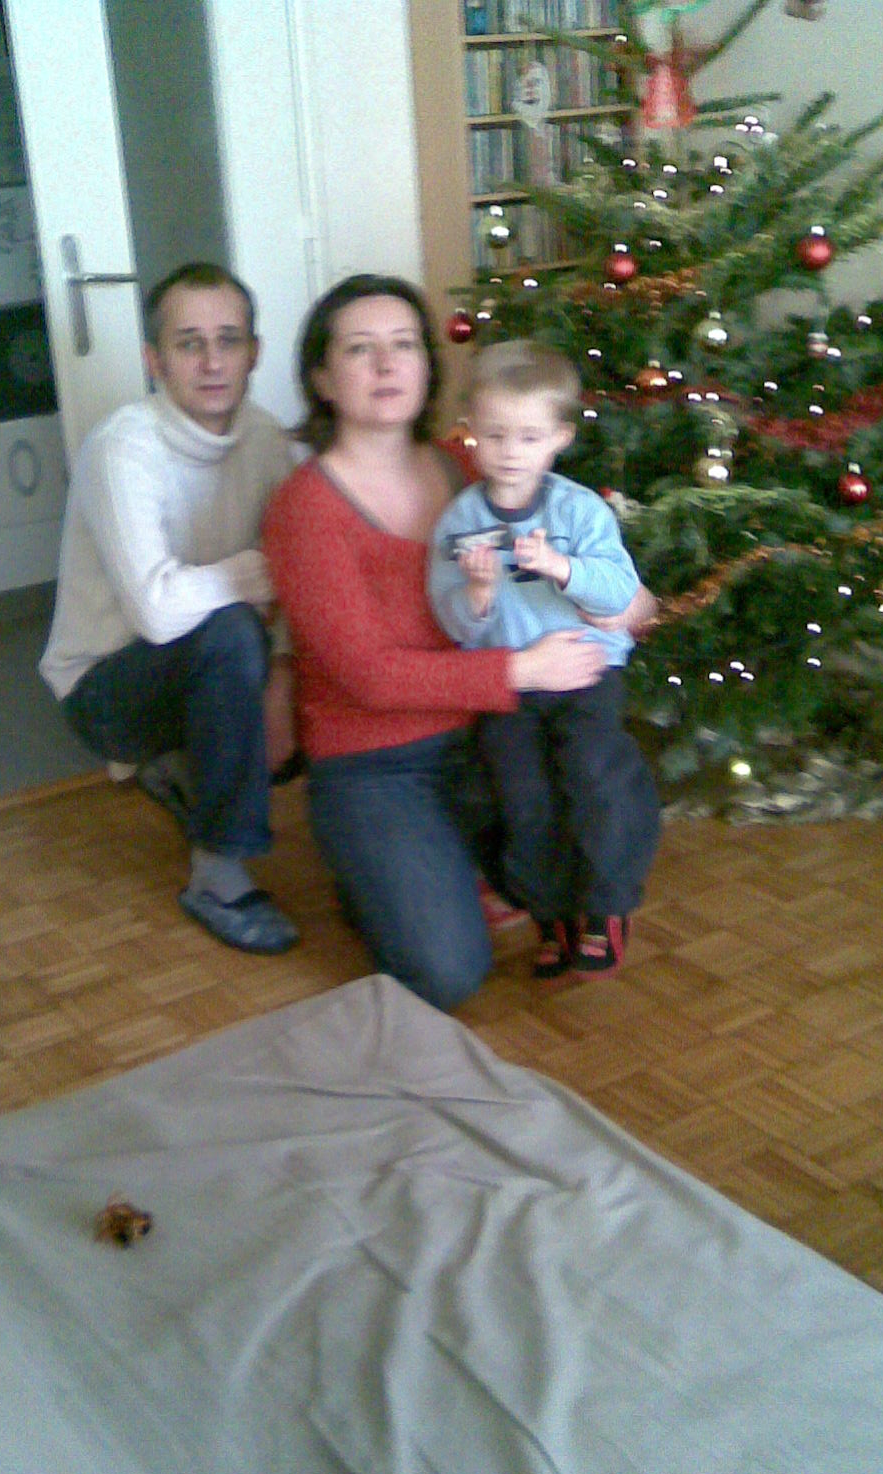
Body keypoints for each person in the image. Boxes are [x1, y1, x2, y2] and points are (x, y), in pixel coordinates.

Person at [262, 273, 655, 1010]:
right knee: (448, 970)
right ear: (322, 378)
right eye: (360, 349)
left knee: (588, 799)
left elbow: (593, 557)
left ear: (428, 364)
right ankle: (379, 871)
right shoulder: (303, 507)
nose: (387, 364)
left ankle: (471, 870)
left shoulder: (477, 461)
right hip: (379, 762)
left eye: (405, 344)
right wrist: (522, 670)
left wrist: (630, 603)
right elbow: (370, 677)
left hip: (490, 733)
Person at [39, 262, 299, 954]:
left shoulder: (268, 440)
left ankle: (183, 769)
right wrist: (261, 572)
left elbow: (296, 584)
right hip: (104, 688)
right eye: (189, 344)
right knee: (233, 629)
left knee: (265, 648)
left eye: (229, 340)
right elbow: (157, 613)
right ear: (155, 361)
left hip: (199, 664)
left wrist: (281, 676)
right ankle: (218, 874)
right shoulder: (122, 447)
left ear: (254, 352)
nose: (212, 362)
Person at [427, 340, 660, 980]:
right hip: (513, 685)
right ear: (471, 433)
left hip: (587, 673)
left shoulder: (579, 510)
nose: (510, 452)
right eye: (495, 435)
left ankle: (606, 905)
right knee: (521, 798)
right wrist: (476, 595)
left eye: (529, 437)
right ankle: (551, 912)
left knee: (594, 778)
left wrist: (562, 567)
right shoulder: (458, 521)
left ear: (560, 437)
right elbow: (451, 621)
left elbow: (619, 595)